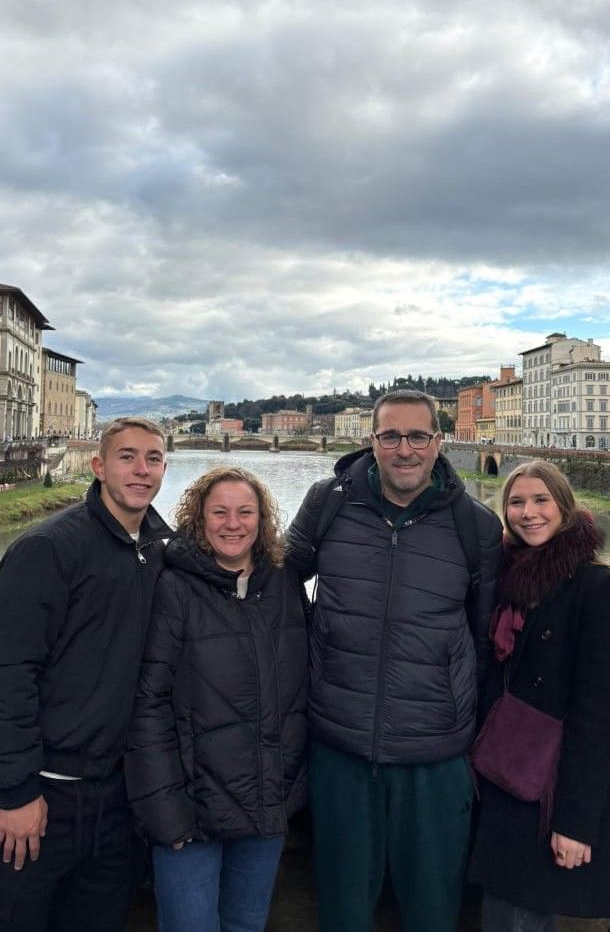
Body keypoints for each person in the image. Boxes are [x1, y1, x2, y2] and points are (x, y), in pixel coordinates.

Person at [287, 389, 502, 932]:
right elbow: (277, 582)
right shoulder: (328, 501)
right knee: (342, 912)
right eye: (391, 436)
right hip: (339, 743)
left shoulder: (475, 524)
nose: (404, 450)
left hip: (436, 753)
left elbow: (484, 633)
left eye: (417, 436)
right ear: (372, 440)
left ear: (438, 441)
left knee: (432, 912)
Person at [0, 416, 171, 932]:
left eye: (154, 459)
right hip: (44, 795)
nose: (141, 470)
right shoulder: (49, 547)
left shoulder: (162, 550)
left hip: (119, 797)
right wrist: (15, 792)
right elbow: (10, 671)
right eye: (127, 457)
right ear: (98, 466)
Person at [125, 466, 308, 932]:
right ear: (198, 519)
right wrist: (166, 814)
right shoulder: (174, 587)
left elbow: (301, 692)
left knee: (246, 925)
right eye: (220, 512)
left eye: (245, 512)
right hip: (191, 814)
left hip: (266, 807)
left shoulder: (284, 584)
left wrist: (291, 789)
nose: (233, 524)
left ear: (262, 519)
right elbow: (148, 705)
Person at [470, 460, 610, 931]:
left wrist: (575, 822)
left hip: (549, 791)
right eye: (516, 502)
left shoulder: (594, 587)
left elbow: (597, 713)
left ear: (564, 507)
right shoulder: (508, 580)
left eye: (540, 500)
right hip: (502, 776)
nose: (528, 512)